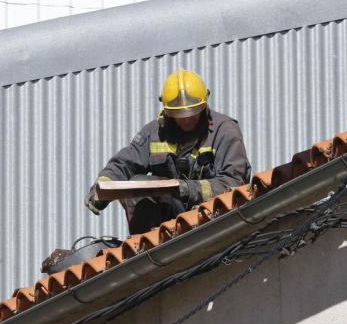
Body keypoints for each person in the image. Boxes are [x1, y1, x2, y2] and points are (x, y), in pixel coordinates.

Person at [85, 69, 252, 234]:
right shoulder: (155, 132)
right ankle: (144, 244)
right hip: (170, 220)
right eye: (179, 113)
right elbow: (124, 163)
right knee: (140, 183)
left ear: (205, 103)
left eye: (193, 112)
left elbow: (234, 182)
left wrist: (188, 189)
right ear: (167, 110)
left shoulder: (224, 130)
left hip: (214, 219)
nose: (186, 118)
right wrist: (101, 189)